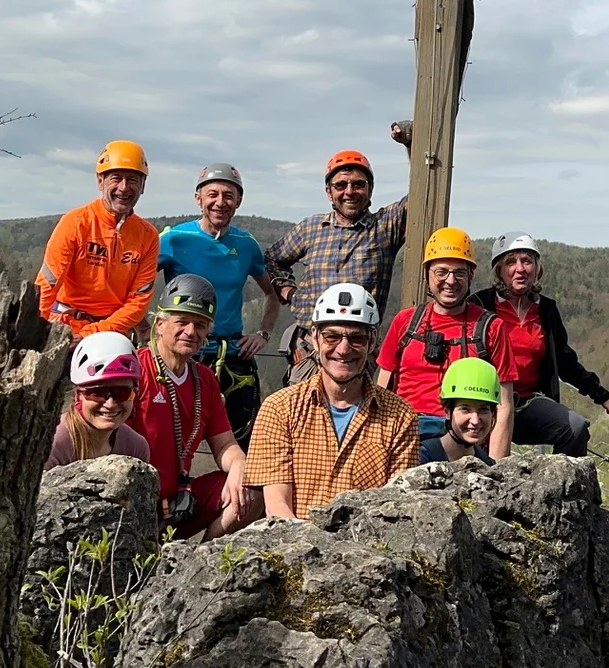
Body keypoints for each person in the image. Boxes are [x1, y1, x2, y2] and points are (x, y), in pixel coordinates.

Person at [245, 281, 420, 518]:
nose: (344, 349)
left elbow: (397, 508)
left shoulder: (400, 416)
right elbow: (278, 508)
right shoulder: (279, 409)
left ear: (373, 341)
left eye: (356, 338)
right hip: (294, 545)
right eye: (332, 337)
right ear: (315, 338)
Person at [263, 133, 411, 375]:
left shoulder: (384, 227)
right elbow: (272, 259)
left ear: (370, 189)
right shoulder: (311, 228)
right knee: (302, 411)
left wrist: (410, 145)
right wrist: (289, 292)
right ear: (329, 192)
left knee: (357, 412)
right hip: (309, 350)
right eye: (340, 185)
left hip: (357, 350)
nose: (349, 191)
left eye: (358, 184)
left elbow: (422, 196)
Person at [157, 163, 282, 442]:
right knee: (170, 437)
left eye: (229, 195)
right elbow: (135, 283)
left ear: (238, 201)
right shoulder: (174, 239)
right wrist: (145, 328)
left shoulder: (246, 244)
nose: (220, 202)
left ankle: (238, 487)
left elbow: (271, 294)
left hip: (231, 353)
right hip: (181, 350)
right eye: (212, 194)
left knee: (246, 441)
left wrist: (263, 334)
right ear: (198, 198)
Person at [130, 274, 258, 541]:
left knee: (252, 491)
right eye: (182, 321)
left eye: (200, 325)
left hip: (180, 502)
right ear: (160, 324)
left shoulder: (205, 380)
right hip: (132, 501)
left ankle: (201, 565)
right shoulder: (135, 370)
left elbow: (224, 445)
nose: (191, 331)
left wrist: (240, 466)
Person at [375, 228, 516, 460]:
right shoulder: (405, 322)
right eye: (441, 272)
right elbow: (380, 393)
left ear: (471, 276)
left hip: (462, 436)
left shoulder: (491, 328)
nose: (450, 281)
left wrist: (497, 470)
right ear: (427, 274)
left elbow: (503, 406)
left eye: (459, 273)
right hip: (406, 433)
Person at [474, 232, 609, 458]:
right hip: (485, 403)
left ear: (537, 269)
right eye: (511, 262)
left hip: (527, 403)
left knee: (574, 428)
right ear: (499, 270)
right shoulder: (480, 306)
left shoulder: (545, 310)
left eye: (527, 261)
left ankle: (564, 489)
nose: (520, 269)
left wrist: (603, 398)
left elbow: (566, 361)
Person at [37, 139, 159, 338]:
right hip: (65, 326)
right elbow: (47, 285)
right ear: (101, 181)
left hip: (113, 332)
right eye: (116, 178)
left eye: (133, 180)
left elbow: (138, 302)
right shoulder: (75, 222)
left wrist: (92, 333)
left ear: (143, 186)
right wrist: (39, 331)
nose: (123, 187)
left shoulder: (148, 235)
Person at [46, 331, 151, 469]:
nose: (110, 404)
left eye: (122, 393)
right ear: (78, 395)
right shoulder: (52, 445)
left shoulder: (136, 448)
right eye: (97, 393)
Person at [421, 357, 501, 465]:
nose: (475, 421)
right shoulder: (422, 457)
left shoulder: (488, 465)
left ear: (493, 414)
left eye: (483, 410)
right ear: (448, 411)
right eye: (465, 409)